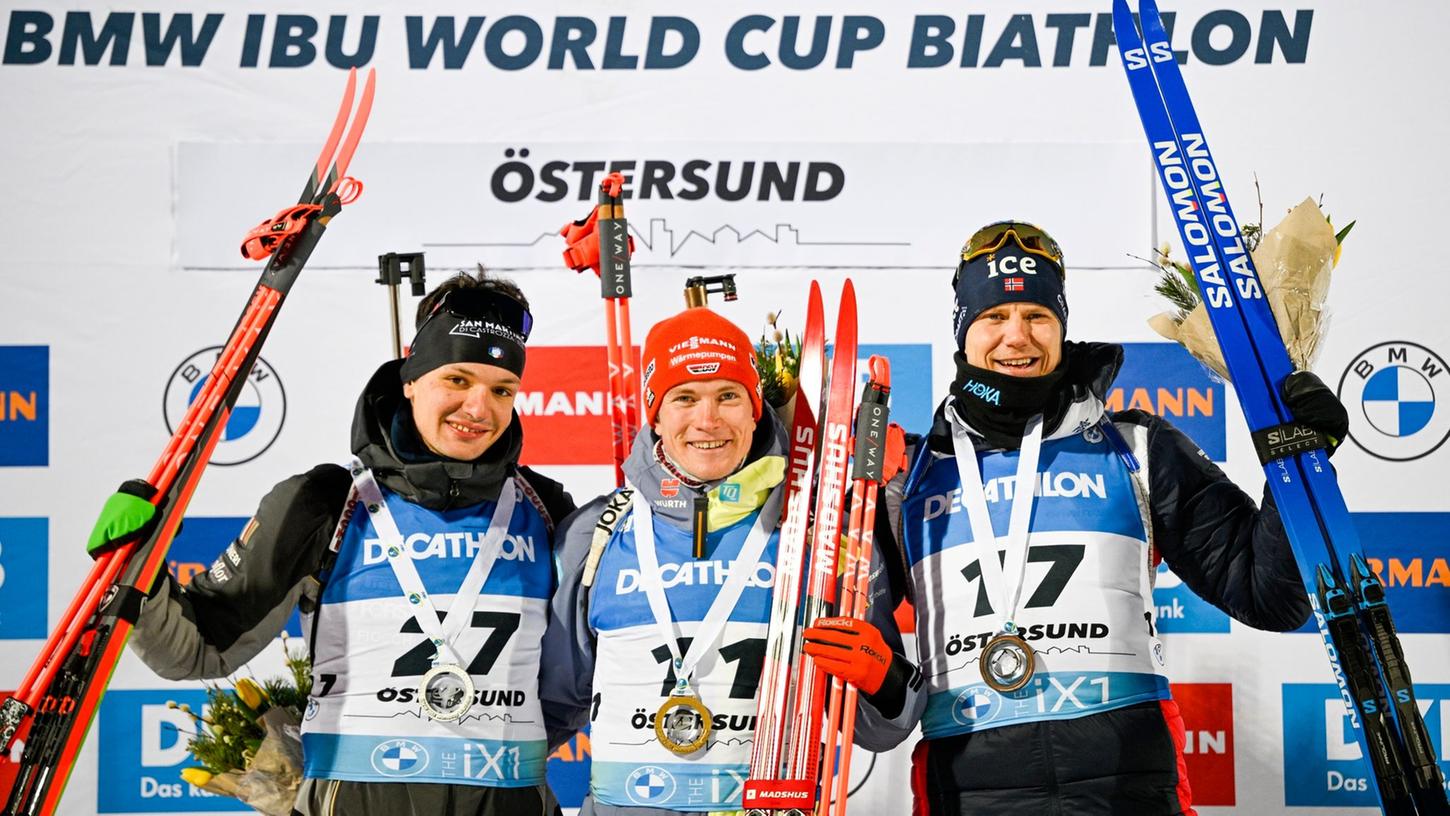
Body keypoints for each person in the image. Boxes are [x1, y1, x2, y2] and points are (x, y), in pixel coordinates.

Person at [802, 221, 1348, 815]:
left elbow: (1269, 595)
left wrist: (1297, 468)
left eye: (1037, 316)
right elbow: (880, 723)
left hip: (1128, 785)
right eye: (994, 318)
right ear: (964, 331)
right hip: (967, 790)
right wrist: (881, 679)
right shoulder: (905, 477)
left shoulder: (1137, 447)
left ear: (1062, 328)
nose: (1017, 337)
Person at [86, 270, 576, 816]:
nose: (479, 409)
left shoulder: (547, 511)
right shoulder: (326, 500)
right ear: (411, 377)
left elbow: (576, 679)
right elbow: (198, 647)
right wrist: (138, 571)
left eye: (501, 389)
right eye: (457, 380)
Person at [540, 305, 908, 815]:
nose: (707, 420)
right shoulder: (596, 533)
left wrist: (883, 678)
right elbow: (550, 709)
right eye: (684, 398)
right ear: (656, 414)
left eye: (728, 397)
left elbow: (884, 728)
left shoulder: (822, 532)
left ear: (755, 409)